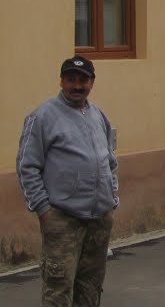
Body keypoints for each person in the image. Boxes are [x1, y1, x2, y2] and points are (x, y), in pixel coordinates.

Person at [17, 56, 118, 307]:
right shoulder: (42, 117)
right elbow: (26, 166)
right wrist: (43, 210)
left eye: (83, 80)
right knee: (58, 289)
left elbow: (110, 160)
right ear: (61, 82)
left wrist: (112, 197)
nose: (77, 86)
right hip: (63, 220)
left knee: (90, 287)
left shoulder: (98, 116)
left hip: (99, 219)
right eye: (71, 80)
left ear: (92, 83)